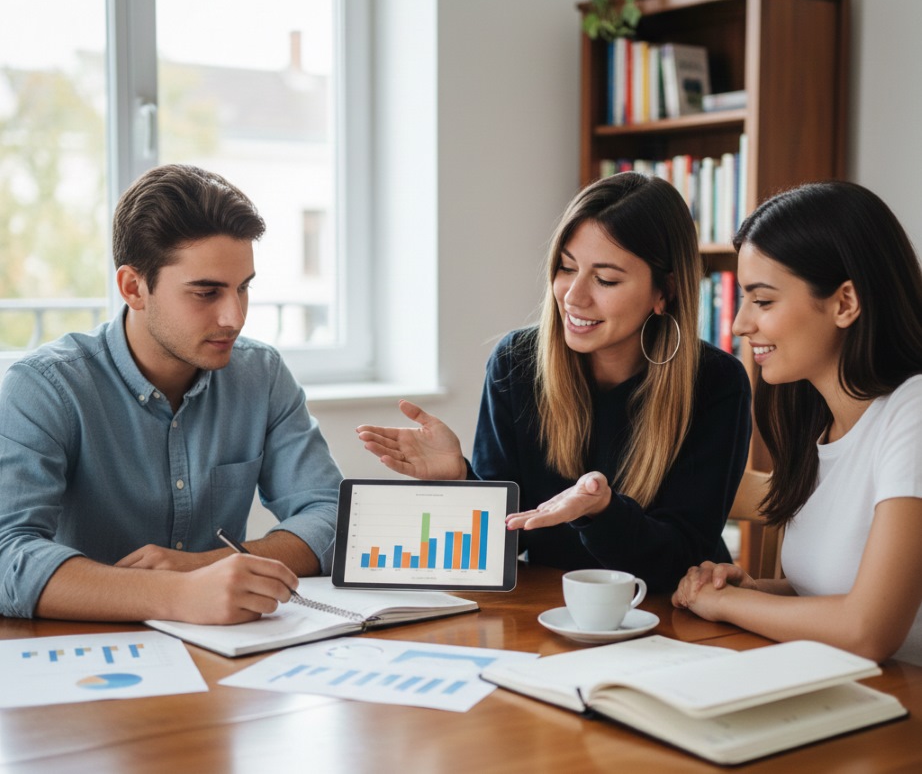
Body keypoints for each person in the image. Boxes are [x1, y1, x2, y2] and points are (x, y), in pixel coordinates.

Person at [357, 172, 752, 592]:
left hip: (667, 619)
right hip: (549, 616)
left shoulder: (715, 383)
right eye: (566, 267)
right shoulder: (517, 363)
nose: (573, 296)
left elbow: (680, 562)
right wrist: (462, 481)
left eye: (606, 279)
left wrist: (601, 513)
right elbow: (507, 540)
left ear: (665, 292)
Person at [0, 164, 342, 624]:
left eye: (244, 289)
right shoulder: (46, 387)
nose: (234, 317)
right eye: (206, 293)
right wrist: (174, 594)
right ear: (133, 287)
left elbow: (332, 514)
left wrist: (205, 566)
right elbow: (8, 556)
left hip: (225, 651)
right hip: (82, 656)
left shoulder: (262, 375)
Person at [672, 181, 922, 665]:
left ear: (845, 303)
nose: (740, 324)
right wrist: (759, 591)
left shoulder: (913, 410)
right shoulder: (820, 426)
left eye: (762, 301)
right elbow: (834, 591)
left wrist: (729, 602)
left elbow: (868, 630)